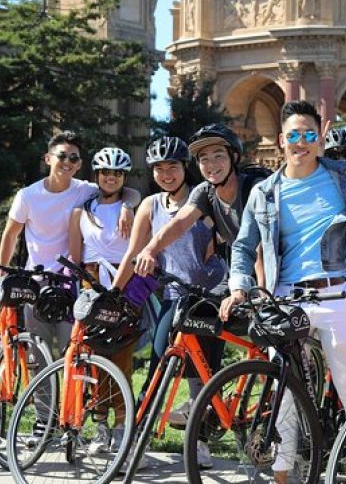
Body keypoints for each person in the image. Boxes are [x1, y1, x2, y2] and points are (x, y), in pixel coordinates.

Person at [221, 100, 346, 483]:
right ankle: (282, 475)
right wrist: (239, 288)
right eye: (293, 135)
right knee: (286, 393)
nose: (301, 142)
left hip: (337, 295)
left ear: (321, 137)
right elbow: (243, 247)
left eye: (309, 134)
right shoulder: (265, 192)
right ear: (281, 140)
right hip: (287, 299)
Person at [110, 136, 226, 469]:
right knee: (160, 366)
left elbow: (219, 247)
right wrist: (116, 294)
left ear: (183, 167)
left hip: (209, 296)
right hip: (174, 295)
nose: (166, 174)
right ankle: (137, 445)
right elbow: (134, 253)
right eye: (159, 168)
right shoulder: (150, 205)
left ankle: (199, 443)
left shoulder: (204, 198)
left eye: (172, 166)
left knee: (203, 373)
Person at [0, 131, 139, 358]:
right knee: (38, 353)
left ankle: (70, 395)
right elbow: (10, 234)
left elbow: (124, 189)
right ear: (48, 158)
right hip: (36, 282)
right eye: (62, 156)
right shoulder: (27, 195)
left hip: (70, 284)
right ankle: (42, 396)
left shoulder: (85, 190)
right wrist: (1, 273)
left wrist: (128, 206)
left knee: (72, 351)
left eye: (74, 158)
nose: (68, 163)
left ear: (80, 164)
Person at [67, 146, 146, 454]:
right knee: (95, 356)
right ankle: (100, 424)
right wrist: (84, 288)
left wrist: (128, 206)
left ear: (123, 177)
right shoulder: (81, 212)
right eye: (105, 173)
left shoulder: (134, 207)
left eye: (117, 173)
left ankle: (122, 423)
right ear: (97, 176)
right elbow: (76, 256)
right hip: (92, 282)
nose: (111, 178)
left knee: (122, 355)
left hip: (123, 284)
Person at [133, 123, 267, 283]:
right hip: (243, 275)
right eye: (204, 159)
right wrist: (149, 250)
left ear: (234, 157)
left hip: (280, 273)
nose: (211, 165)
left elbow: (262, 245)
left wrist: (263, 295)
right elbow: (179, 224)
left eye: (219, 156)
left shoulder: (255, 188)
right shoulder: (205, 192)